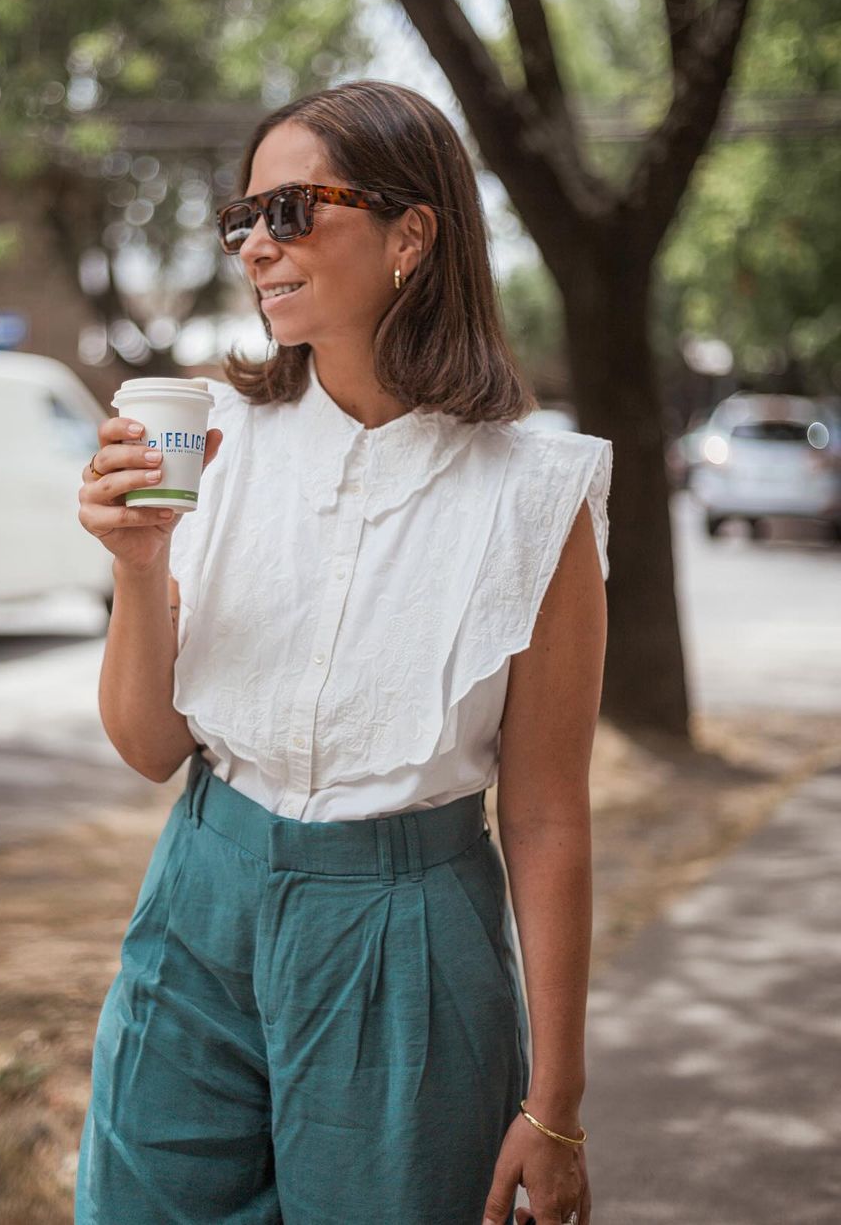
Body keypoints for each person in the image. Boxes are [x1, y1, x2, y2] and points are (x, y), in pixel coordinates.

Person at [74, 79, 611, 1225]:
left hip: (408, 937)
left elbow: (550, 811)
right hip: (200, 901)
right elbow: (147, 746)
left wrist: (555, 1102)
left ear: (412, 232)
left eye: (294, 211)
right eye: (244, 219)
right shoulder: (211, 440)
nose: (258, 247)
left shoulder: (535, 496)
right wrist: (136, 567)